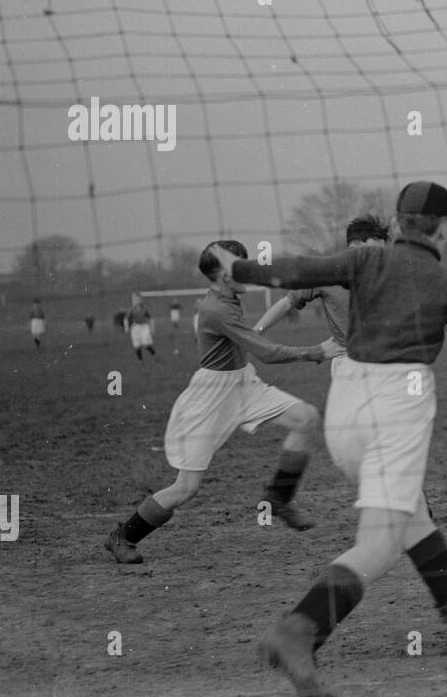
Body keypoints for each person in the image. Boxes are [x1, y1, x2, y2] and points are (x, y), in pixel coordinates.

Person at [207, 181, 447, 697]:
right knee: (379, 541)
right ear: (445, 228)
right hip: (397, 410)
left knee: (406, 508)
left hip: (346, 409)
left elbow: (294, 271)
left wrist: (234, 269)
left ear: (397, 224)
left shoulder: (364, 262)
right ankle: (299, 629)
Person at [103, 241, 331, 566]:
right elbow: (265, 352)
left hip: (243, 382)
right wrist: (315, 351)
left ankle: (278, 498)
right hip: (210, 396)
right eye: (241, 265)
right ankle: (122, 536)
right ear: (224, 273)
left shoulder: (227, 299)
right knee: (185, 488)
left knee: (305, 418)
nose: (247, 270)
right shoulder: (217, 310)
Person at [253, 214, 390, 355]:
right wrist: (256, 332)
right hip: (348, 361)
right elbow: (287, 303)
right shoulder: (327, 274)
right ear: (352, 249)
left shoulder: (391, 276)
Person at [125, 293, 157, 361]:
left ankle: (154, 354)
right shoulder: (131, 310)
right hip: (135, 328)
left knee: (146, 344)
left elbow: (151, 319)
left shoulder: (145, 309)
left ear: (140, 300)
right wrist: (126, 327)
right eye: (133, 300)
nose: (135, 301)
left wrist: (152, 329)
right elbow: (126, 319)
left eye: (137, 299)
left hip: (144, 327)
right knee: (136, 346)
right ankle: (140, 360)